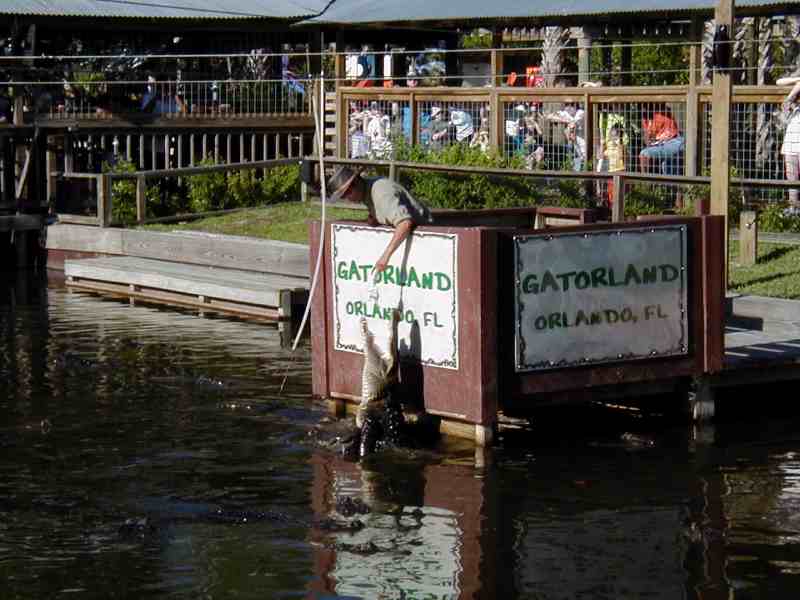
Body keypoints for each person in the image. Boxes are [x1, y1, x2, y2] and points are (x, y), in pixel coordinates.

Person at [327, 166, 433, 274]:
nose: (347, 199)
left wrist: (385, 256)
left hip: (428, 242)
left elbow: (405, 223)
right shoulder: (367, 192)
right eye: (343, 197)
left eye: (347, 193)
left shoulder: (381, 191)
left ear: (356, 183)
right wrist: (375, 218)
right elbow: (387, 211)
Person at [639, 104, 684, 175]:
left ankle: (644, 184)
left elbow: (668, 135)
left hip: (674, 141)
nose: (643, 109)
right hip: (661, 145)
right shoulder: (645, 118)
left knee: (644, 154)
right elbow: (647, 139)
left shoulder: (662, 111)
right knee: (667, 169)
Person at [780, 79, 800, 214]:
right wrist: (797, 79)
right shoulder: (794, 109)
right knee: (792, 183)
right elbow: (778, 82)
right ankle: (793, 211)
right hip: (791, 148)